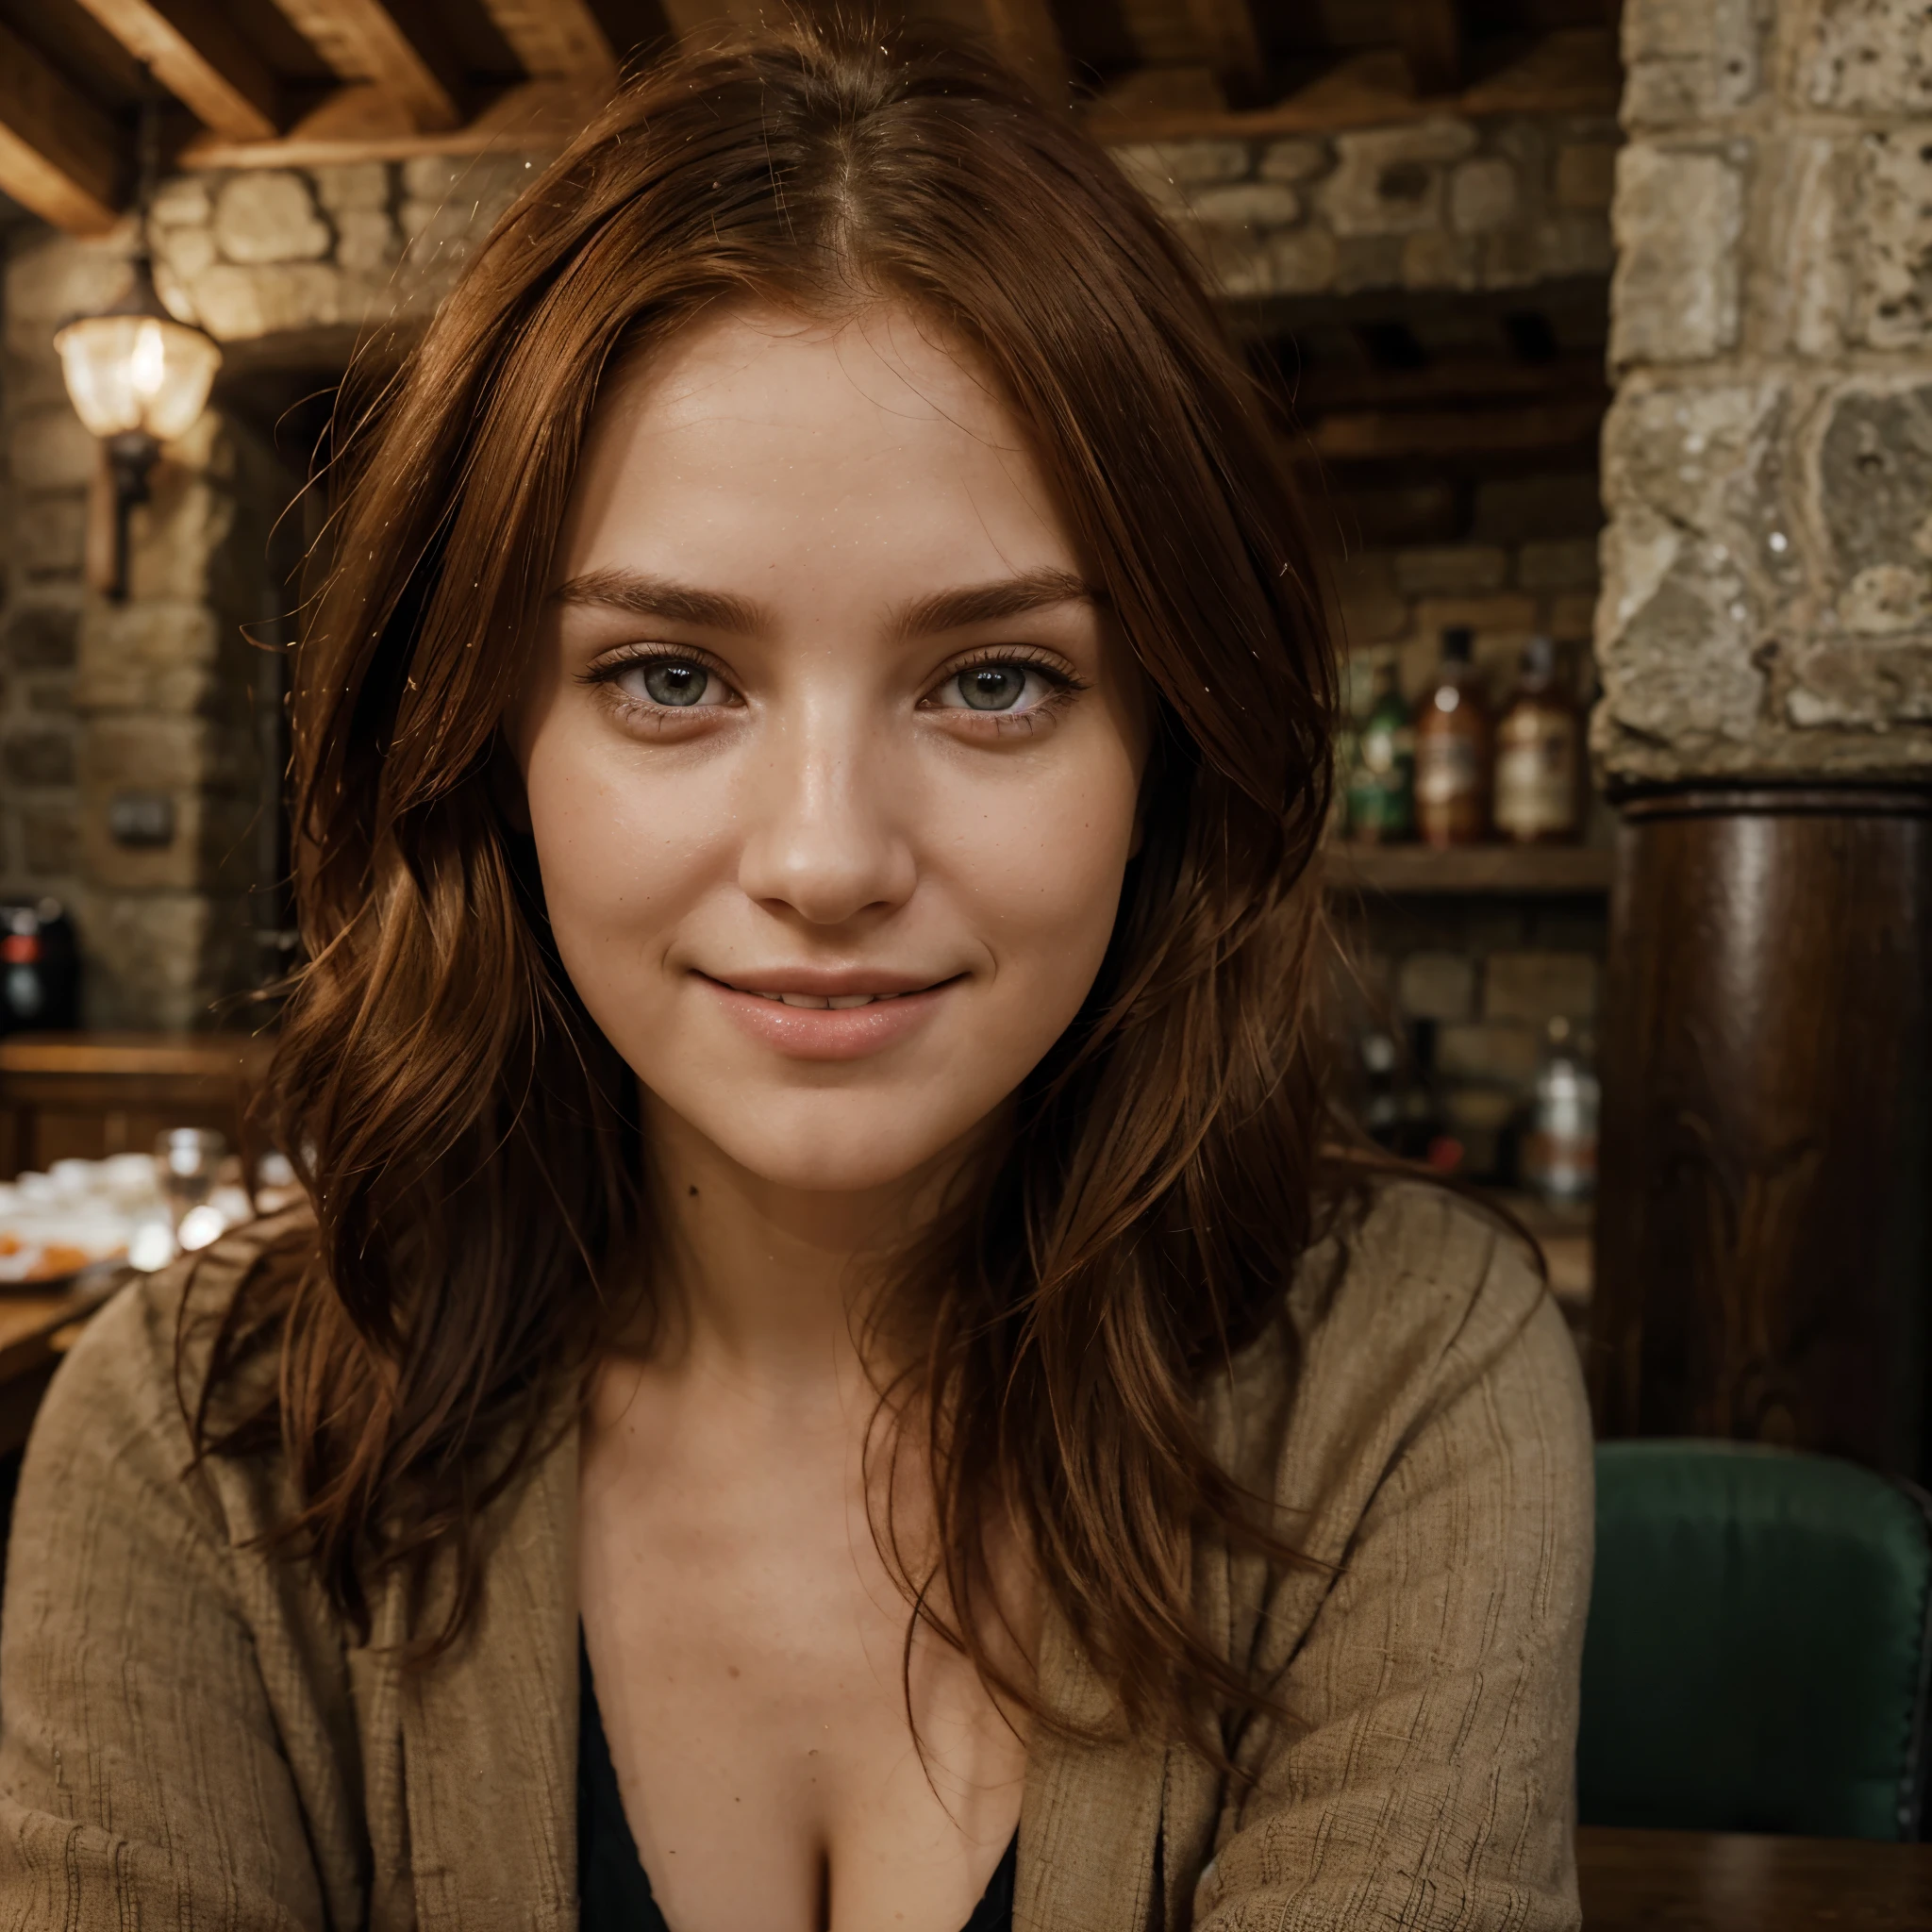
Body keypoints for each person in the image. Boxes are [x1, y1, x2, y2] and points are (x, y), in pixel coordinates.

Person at [0, 22, 1591, 1931]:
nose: (826, 858)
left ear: (1174, 748)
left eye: (994, 679)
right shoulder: (199, 1439)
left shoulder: (1404, 1377)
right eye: (670, 676)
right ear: (483, 742)